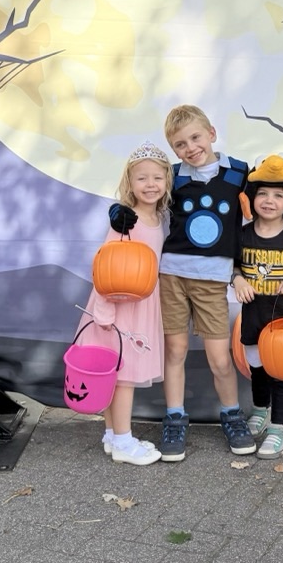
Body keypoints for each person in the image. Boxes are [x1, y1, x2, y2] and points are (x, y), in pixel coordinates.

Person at [111, 105, 255, 460]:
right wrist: (118, 213)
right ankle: (175, 418)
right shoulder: (172, 177)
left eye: (195, 137)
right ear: (173, 149)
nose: (190, 147)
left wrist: (239, 272)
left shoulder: (239, 173)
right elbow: (142, 198)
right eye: (180, 144)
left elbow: (256, 218)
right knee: (174, 351)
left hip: (213, 280)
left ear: (211, 133)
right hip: (171, 276)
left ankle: (231, 415)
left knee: (219, 358)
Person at [83, 141, 172, 466]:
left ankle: (111, 434)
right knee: (123, 375)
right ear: (129, 183)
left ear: (167, 181)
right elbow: (107, 265)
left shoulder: (158, 216)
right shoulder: (126, 219)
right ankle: (122, 440)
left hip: (142, 304)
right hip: (118, 307)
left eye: (157, 178)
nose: (150, 185)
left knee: (117, 372)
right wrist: (104, 309)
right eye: (142, 178)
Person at [232, 155, 283, 458]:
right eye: (263, 193)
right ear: (251, 198)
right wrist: (238, 280)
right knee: (257, 369)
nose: (269, 200)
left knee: (281, 374)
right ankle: (261, 410)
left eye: (278, 195)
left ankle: (280, 428)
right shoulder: (243, 235)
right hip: (254, 316)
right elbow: (235, 267)